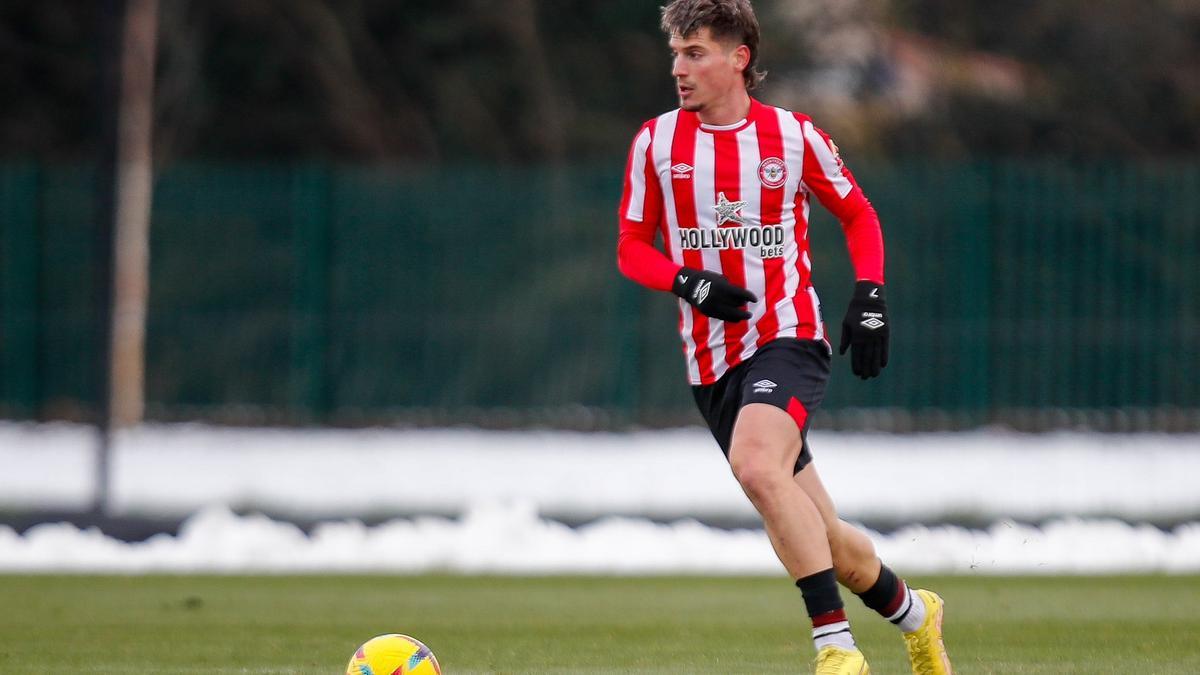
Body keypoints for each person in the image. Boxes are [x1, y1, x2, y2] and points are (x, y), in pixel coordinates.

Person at [615, 1, 953, 673]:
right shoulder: (655, 143)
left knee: (756, 465)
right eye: (677, 53)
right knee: (820, 531)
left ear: (739, 58)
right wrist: (690, 282)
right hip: (711, 363)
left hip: (788, 338)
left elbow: (857, 213)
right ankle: (917, 614)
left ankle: (835, 648)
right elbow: (631, 247)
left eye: (696, 52)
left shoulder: (794, 137)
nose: (679, 68)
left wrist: (873, 294)